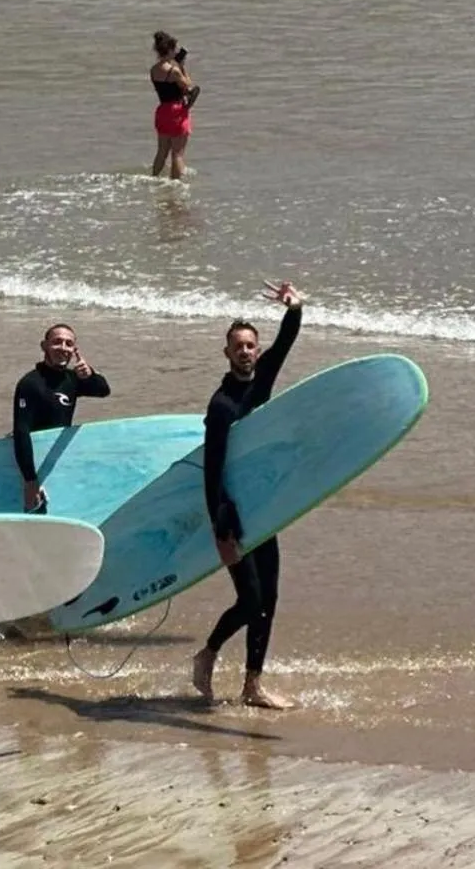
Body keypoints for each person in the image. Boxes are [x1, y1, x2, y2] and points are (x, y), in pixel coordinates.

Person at [192, 282, 305, 710]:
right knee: (251, 599)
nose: (246, 352)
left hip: (263, 510)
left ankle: (252, 685)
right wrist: (220, 526)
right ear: (226, 353)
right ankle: (207, 653)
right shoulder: (221, 406)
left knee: (268, 601)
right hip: (233, 516)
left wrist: (295, 308)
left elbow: (286, 343)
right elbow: (212, 468)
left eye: (251, 346)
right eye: (238, 346)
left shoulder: (260, 385)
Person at [11, 324, 111, 512]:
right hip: (31, 462)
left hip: (56, 460)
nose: (63, 348)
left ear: (74, 350)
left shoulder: (72, 379)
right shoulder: (30, 384)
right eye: (57, 342)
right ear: (44, 346)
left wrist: (90, 375)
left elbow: (103, 391)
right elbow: (21, 431)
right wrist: (30, 481)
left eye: (69, 344)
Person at [149, 30, 197, 179]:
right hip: (176, 111)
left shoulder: (153, 70)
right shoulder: (174, 71)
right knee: (177, 153)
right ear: (169, 50)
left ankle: (154, 178)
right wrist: (182, 66)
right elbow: (188, 85)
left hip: (162, 111)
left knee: (161, 151)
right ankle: (176, 184)